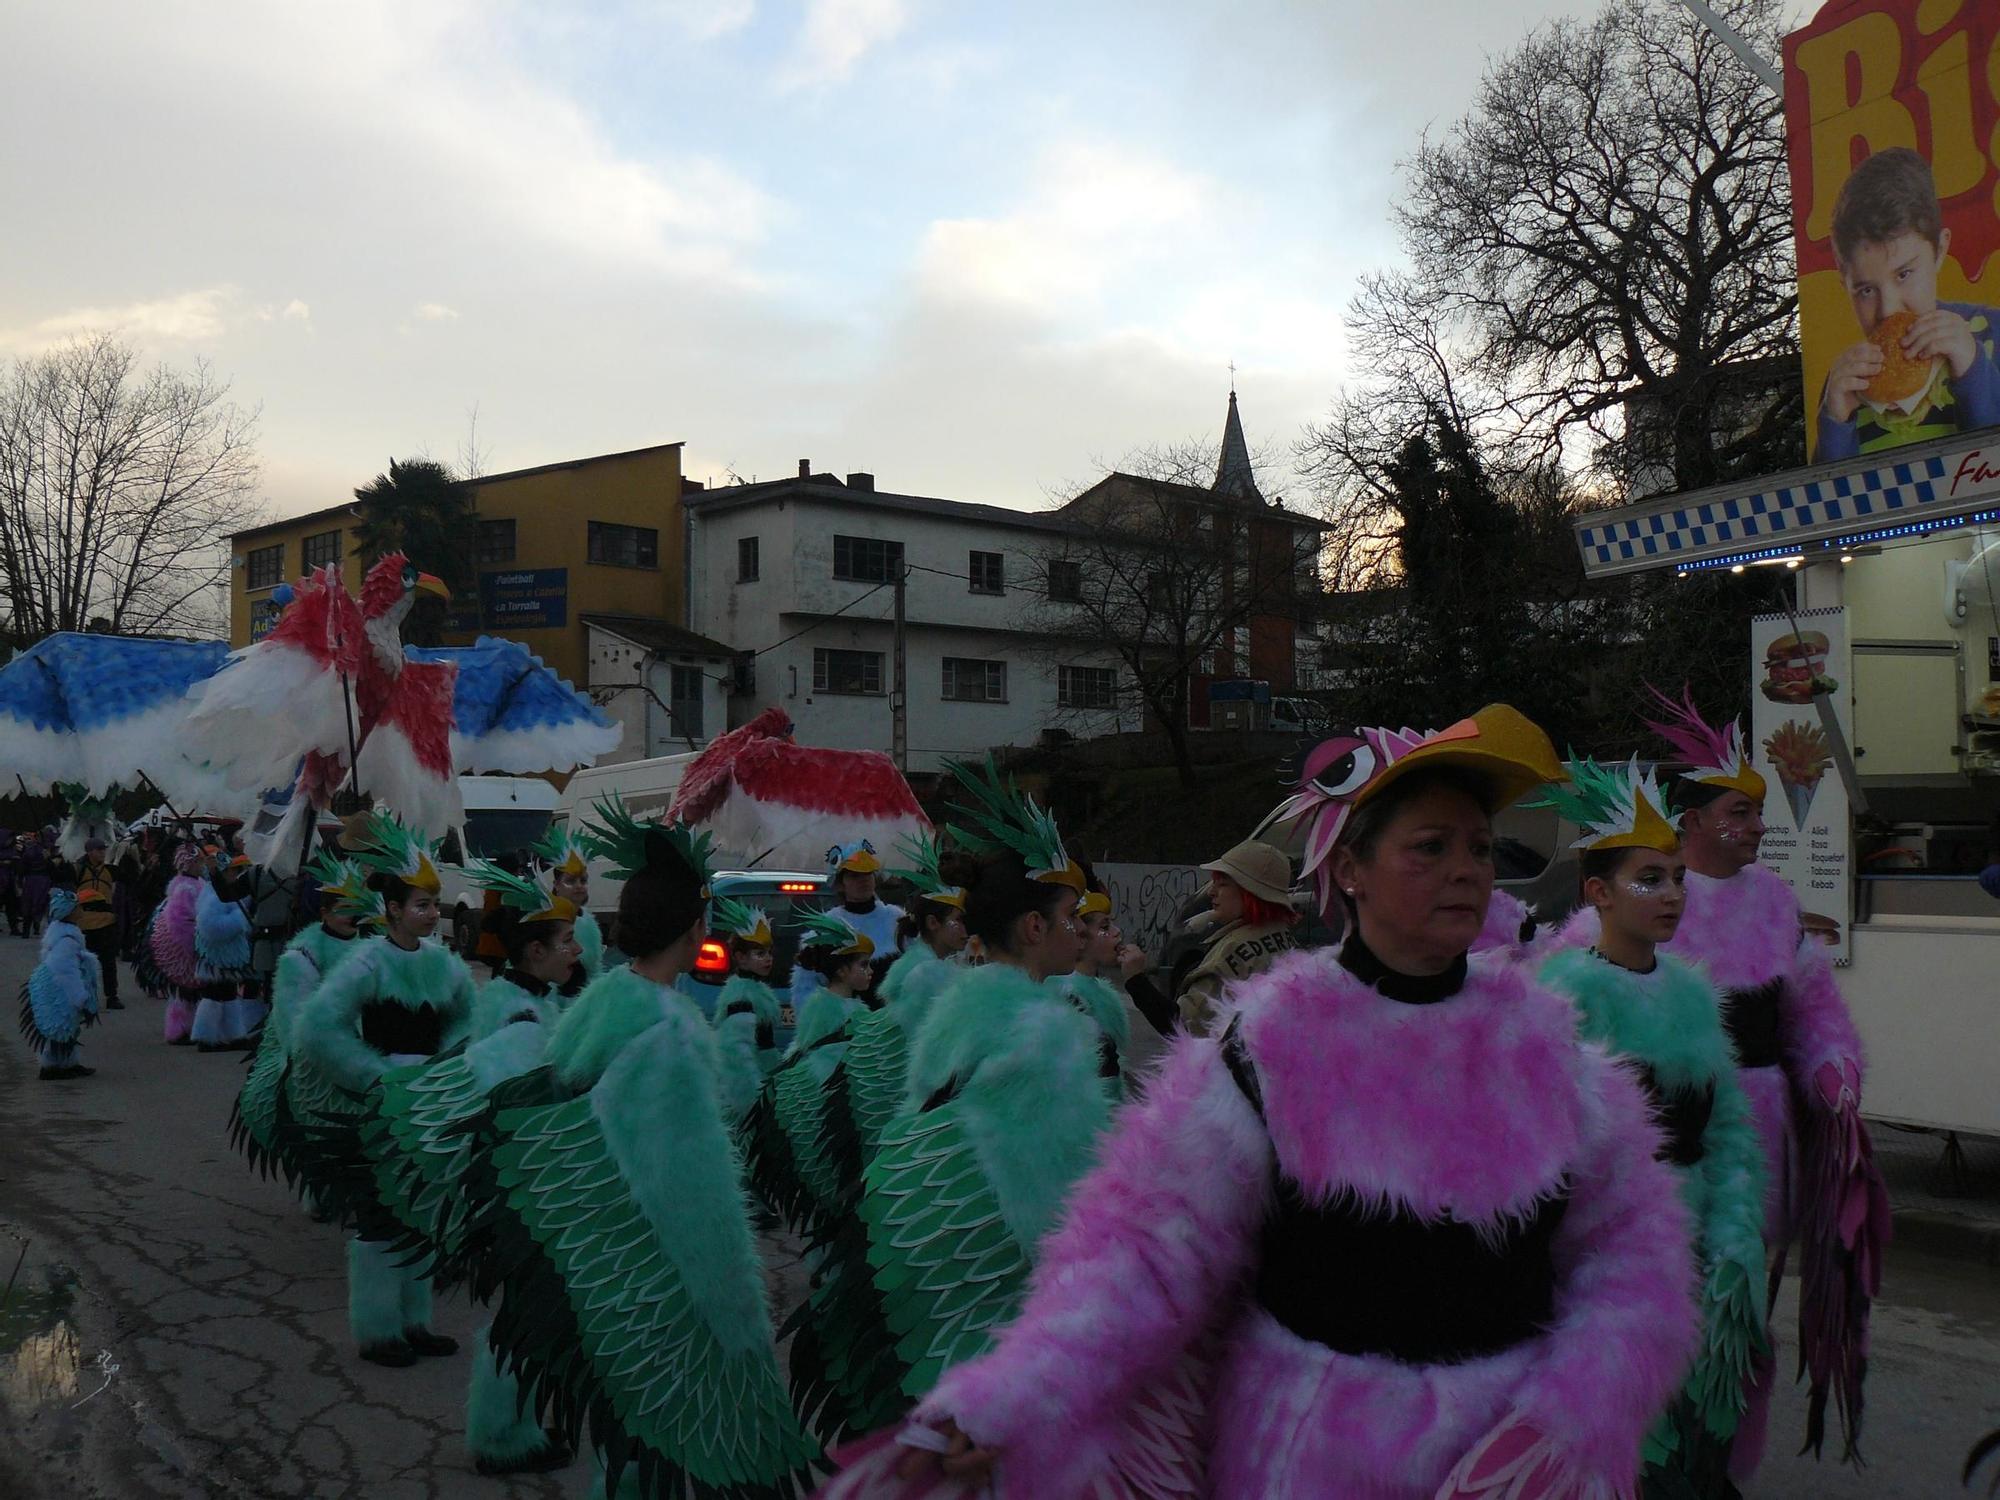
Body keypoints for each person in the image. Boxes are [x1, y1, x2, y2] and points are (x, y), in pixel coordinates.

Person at [856, 707, 1697, 1500]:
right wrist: (1013, 1393)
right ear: (1350, 871)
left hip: (1508, 1470)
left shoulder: (1551, 1050)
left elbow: (1635, 1256)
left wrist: (1566, 1422)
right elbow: (1148, 1253)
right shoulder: (1270, 1043)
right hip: (1307, 1461)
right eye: (1431, 847)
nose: (1467, 870)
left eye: (1479, 847)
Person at [461, 796, 821, 1497]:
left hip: (593, 1245)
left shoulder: (602, 1001)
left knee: (624, 1425)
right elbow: (690, 1192)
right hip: (647, 1264)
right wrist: (735, 1310)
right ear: (696, 929)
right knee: (650, 1443)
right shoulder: (671, 1036)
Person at [1576, 687, 1890, 1469]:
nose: (1755, 827)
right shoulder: (1632, 902)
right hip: (1658, 1144)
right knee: (1653, 1302)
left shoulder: (1776, 902)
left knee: (1739, 1303)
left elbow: (1810, 1009)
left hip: (1758, 1137)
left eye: (1759, 814)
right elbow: (1572, 1003)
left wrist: (1832, 1069)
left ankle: (1719, 1454)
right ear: (1692, 822)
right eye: (1739, 812)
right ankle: (1641, 1451)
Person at [791, 756, 1105, 1449]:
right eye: (1071, 918)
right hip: (1002, 1306)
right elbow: (1055, 1216)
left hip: (940, 1282)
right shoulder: (1045, 1034)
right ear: (1034, 928)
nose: (1082, 931)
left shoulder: (959, 1011)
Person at [1532, 757, 1770, 1494]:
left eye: (1676, 877)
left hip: (1701, 1242)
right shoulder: (1565, 995)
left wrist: (1734, 1234)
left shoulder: (1694, 994)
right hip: (1615, 1263)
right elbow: (1555, 1153)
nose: (1671, 895)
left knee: (1698, 1435)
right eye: (1649, 879)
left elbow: (1729, 1129)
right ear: (1598, 893)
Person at [295, 811, 475, 1368]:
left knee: (421, 1208)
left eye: (435, 904)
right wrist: (374, 1074)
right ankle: (378, 1330)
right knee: (379, 1213)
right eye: (421, 905)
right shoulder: (367, 961)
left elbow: (467, 1020)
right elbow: (318, 1029)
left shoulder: (445, 964)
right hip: (383, 1102)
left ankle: (415, 1322)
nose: (433, 914)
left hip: (430, 1100)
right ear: (392, 909)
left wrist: (445, 1068)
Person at [1817, 147, 2000, 460]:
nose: (1888, 309)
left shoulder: (1992, 331)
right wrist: (1835, 422)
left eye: (1904, 274)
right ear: (1844, 283)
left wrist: (1973, 371)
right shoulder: (1848, 380)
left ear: (1939, 250)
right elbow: (1834, 488)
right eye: (1865, 290)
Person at [230, 847, 367, 1185]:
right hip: (318, 1058)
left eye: (356, 907)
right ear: (324, 912)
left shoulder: (373, 949)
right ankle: (318, 1185)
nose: (351, 915)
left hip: (364, 1055)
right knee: (319, 1128)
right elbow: (293, 1020)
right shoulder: (303, 955)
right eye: (343, 908)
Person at [1119, 837, 1298, 1037]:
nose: (1212, 892)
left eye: (1223, 884)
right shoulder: (1284, 936)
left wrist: (1136, 980)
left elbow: (1182, 1025)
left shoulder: (1232, 951)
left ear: (1250, 893)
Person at [793, 840, 903, 1009]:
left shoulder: (895, 919)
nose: (863, 880)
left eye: (867, 874)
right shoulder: (828, 926)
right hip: (845, 1022)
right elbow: (806, 991)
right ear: (840, 884)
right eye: (854, 876)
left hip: (891, 1019)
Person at [18, 888, 101, 1080]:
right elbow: (66, 972)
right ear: (69, 912)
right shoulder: (67, 941)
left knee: (67, 1026)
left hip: (53, 986)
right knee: (60, 1025)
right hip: (60, 990)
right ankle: (54, 1066)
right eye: (78, 907)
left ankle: (66, 1063)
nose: (81, 910)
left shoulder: (62, 934)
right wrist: (80, 996)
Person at [191, 854, 264, 1051]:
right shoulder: (215, 897)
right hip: (219, 957)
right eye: (233, 871)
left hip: (227, 956)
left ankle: (233, 1035)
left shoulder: (218, 893)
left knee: (228, 994)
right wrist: (240, 920)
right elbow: (209, 926)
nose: (237, 875)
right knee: (215, 995)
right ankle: (206, 1038)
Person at [708, 896, 785, 1079]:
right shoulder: (742, 1000)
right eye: (760, 953)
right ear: (741, 957)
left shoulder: (755, 993)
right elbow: (738, 1057)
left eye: (769, 953)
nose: (768, 959)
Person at [144, 841, 211, 1045]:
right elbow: (179, 922)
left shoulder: (194, 883)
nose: (202, 865)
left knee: (189, 992)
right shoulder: (185, 888)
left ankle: (186, 1027)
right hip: (186, 946)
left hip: (193, 941)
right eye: (199, 862)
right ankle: (179, 1030)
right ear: (189, 864)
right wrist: (194, 945)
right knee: (184, 992)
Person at [533, 824, 603, 983]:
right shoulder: (545, 920)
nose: (579, 886)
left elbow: (595, 970)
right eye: (570, 881)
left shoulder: (588, 921)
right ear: (556, 885)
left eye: (583, 880)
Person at [18, 830, 51, 938]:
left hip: (31, 880)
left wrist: (20, 880)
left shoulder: (30, 850)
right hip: (43, 880)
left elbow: (23, 866)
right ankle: (36, 925)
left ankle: (26, 930)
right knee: (40, 904)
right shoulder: (48, 851)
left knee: (29, 904)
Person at [0, 832, 22, 937]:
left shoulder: (13, 850)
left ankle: (14, 928)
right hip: (2, 879)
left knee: (11, 906)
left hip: (10, 880)